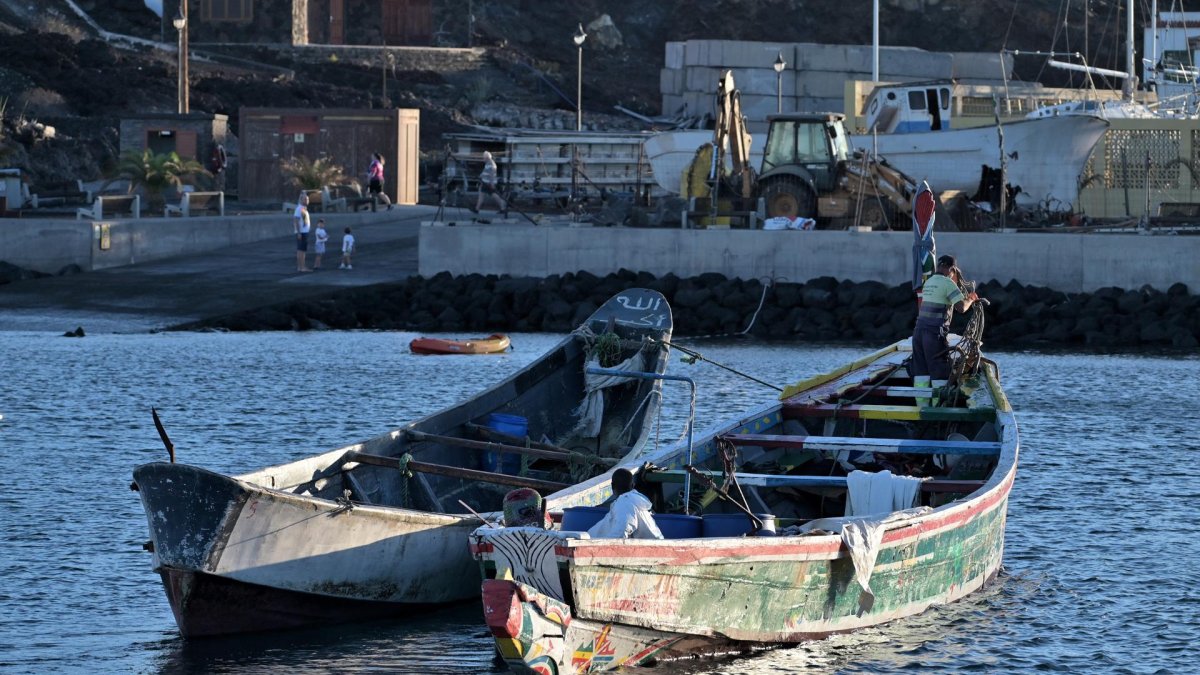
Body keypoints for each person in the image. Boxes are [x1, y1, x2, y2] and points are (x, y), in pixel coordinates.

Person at [911, 254, 979, 406]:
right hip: (934, 334)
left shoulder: (929, 282)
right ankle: (937, 408)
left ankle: (922, 407)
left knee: (921, 372)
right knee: (939, 371)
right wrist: (970, 298)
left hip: (918, 333)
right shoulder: (948, 283)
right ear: (951, 269)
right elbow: (961, 308)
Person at [586, 468, 664, 539]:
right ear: (633, 485)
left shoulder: (625, 502)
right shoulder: (635, 502)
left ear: (612, 486)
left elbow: (621, 533)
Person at [473, 150, 507, 216]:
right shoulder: (488, 164)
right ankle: (477, 209)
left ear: (487, 158)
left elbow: (492, 175)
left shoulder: (491, 164)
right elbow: (484, 172)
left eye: (483, 158)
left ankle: (503, 208)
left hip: (488, 184)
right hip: (485, 183)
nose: (483, 159)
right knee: (483, 195)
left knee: (494, 196)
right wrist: (480, 176)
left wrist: (492, 184)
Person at [293, 192, 311, 272]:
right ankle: (302, 267)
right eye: (305, 199)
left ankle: (301, 267)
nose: (307, 201)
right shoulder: (299, 209)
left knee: (302, 250)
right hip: (302, 232)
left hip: (305, 232)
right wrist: (299, 232)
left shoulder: (304, 209)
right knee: (301, 250)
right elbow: (296, 220)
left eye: (307, 199)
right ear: (301, 200)